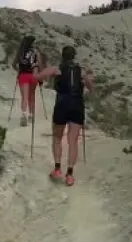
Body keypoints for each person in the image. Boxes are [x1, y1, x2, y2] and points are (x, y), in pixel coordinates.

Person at [36, 45, 93, 187]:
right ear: (74, 56)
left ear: (63, 56)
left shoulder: (57, 69)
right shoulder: (81, 71)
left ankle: (57, 169)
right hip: (77, 105)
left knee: (57, 137)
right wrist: (90, 75)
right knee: (73, 141)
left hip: (62, 104)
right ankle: (70, 174)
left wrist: (38, 65)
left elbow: (39, 76)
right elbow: (91, 87)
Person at [12, 34, 43, 126]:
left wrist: (19, 69)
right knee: (31, 97)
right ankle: (31, 115)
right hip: (33, 76)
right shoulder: (36, 52)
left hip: (23, 76)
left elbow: (13, 64)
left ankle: (23, 116)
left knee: (24, 97)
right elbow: (39, 66)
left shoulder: (20, 52)